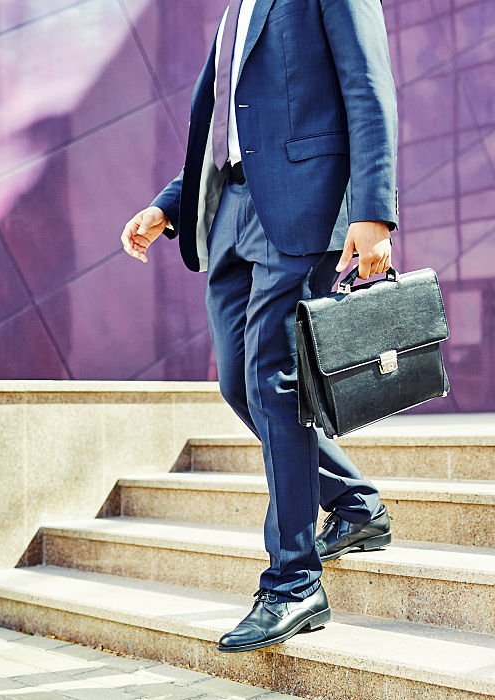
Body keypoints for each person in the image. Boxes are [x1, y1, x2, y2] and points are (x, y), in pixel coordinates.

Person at [118, 0, 398, 652]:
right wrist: (168, 206)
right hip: (229, 214)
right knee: (241, 386)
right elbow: (230, 131)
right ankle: (356, 503)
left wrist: (374, 209)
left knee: (275, 380)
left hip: (303, 205)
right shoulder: (236, 12)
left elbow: (367, 82)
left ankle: (294, 583)